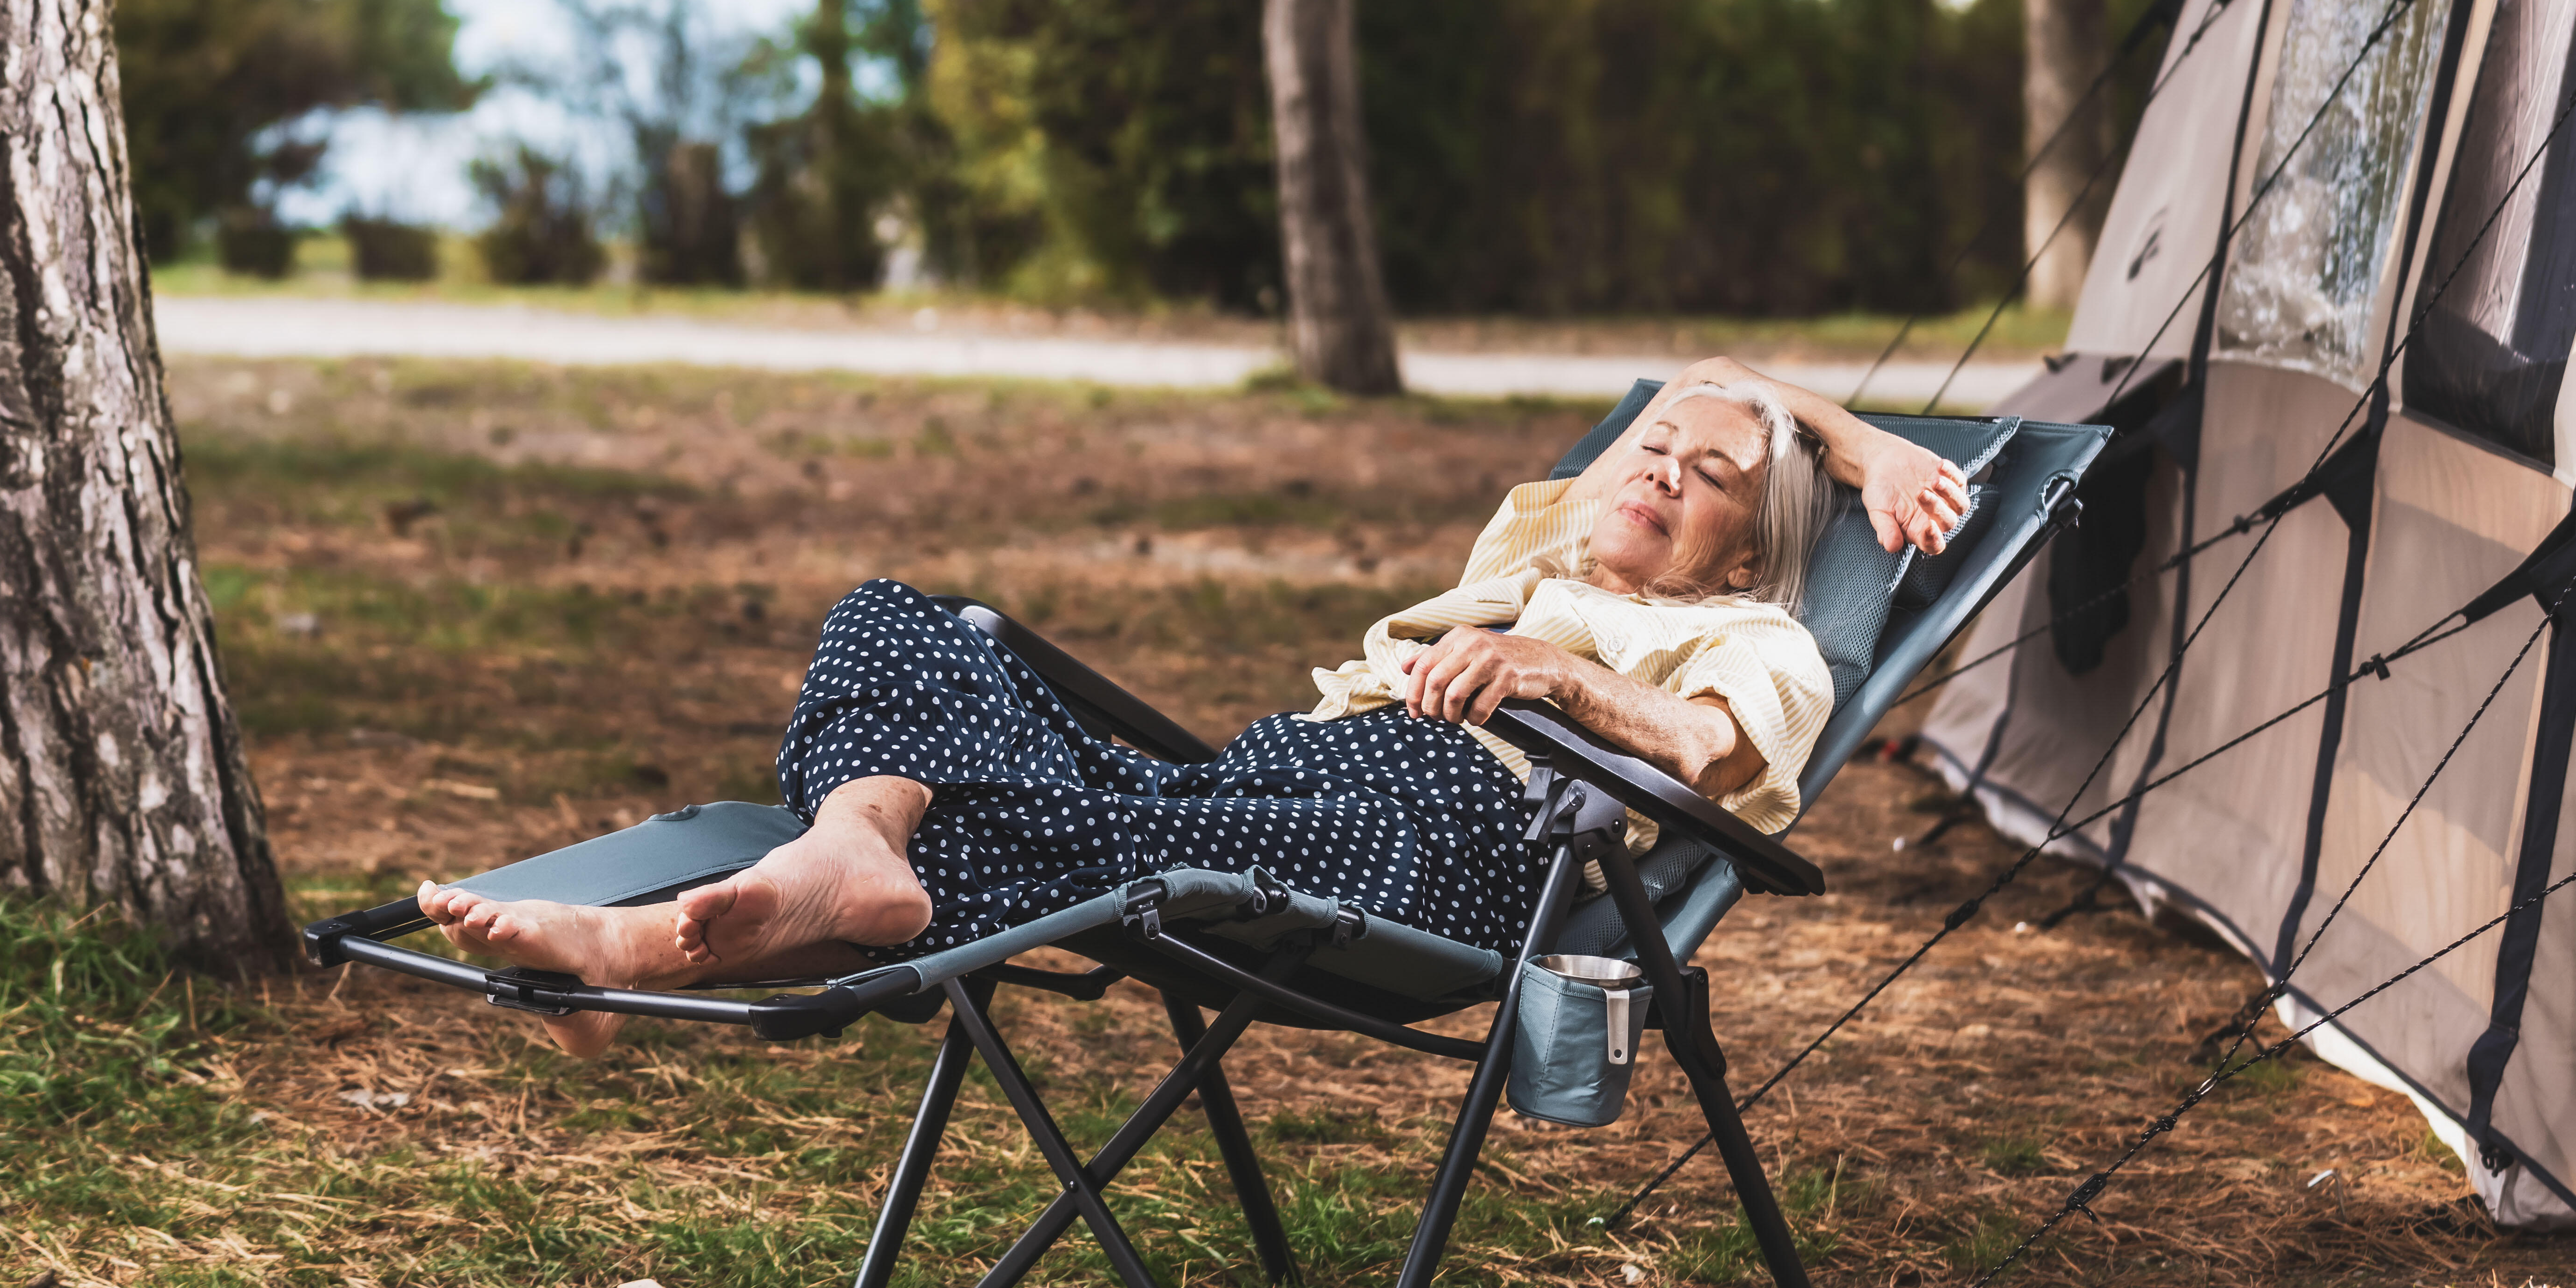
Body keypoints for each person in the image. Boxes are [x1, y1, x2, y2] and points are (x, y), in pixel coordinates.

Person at [420, 363, 1968, 1042]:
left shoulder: (1754, 638)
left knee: (1085, 843)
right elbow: (1702, 372)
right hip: (1285, 775)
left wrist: (1570, 680)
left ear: (1743, 547)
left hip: (1457, 844)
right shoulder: (1544, 551)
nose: (1662, 469)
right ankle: (854, 848)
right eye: (1653, 449)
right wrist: (1856, 439)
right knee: (902, 620)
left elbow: (1705, 750)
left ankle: (680, 933)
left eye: (1709, 481)